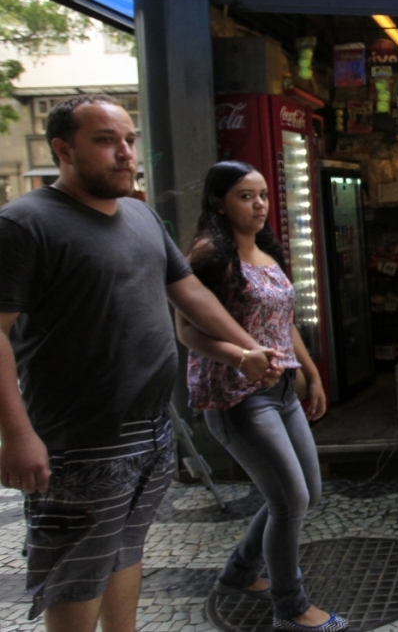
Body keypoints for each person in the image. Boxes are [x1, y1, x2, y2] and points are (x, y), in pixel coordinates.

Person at [0, 94, 280, 631]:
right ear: (62, 149)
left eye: (128, 139)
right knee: (77, 573)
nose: (125, 153)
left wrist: (247, 348)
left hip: (150, 430)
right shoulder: (25, 223)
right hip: (78, 439)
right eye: (105, 141)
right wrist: (16, 435)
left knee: (126, 550)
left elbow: (188, 293)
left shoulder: (138, 214)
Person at [175, 161, 345, 632]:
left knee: (305, 493)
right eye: (245, 196)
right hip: (237, 396)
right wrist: (237, 356)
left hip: (282, 388)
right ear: (219, 202)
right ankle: (290, 607)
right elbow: (186, 331)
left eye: (263, 195)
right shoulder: (210, 255)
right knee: (289, 499)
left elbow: (283, 322)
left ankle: (240, 572)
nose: (259, 206)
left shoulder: (266, 251)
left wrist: (312, 373)